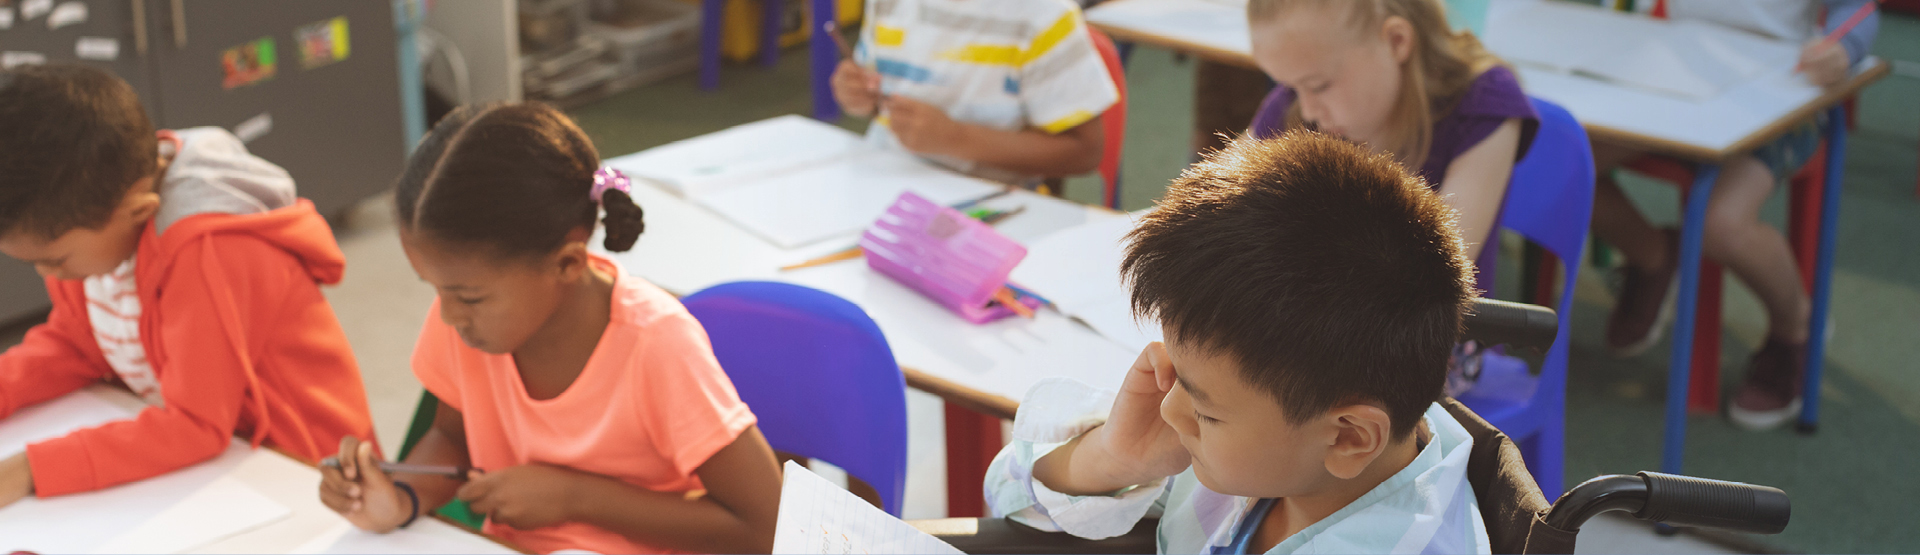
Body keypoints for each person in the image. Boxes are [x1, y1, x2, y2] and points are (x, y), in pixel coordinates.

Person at [985, 131, 1489, 554]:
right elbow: (1008, 490)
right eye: (1179, 380)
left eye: (1206, 413)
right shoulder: (1277, 441)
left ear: (1349, 438)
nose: (1169, 412)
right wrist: (1114, 459)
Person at [317, 103, 782, 554]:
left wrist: (573, 497)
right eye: (436, 290)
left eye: (468, 296)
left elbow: (764, 527)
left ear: (566, 263)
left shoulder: (656, 343)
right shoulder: (468, 322)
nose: (448, 316)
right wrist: (400, 497)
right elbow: (453, 438)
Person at [0, 64, 374, 507]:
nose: (47, 275)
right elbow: (78, 343)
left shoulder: (209, 251)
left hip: (308, 477)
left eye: (55, 259)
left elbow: (196, 424)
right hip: (216, 468)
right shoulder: (100, 223)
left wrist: (31, 468)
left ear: (139, 210)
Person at [1592, 0, 1879, 430]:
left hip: (1778, 84)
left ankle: (1795, 326)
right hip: (1667, 66)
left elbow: (1857, 8)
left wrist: (1842, 46)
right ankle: (1654, 256)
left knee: (1720, 225)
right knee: (1552, 164)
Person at [1247, 0, 1536, 285]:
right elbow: (1221, 205)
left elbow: (1432, 277)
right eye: (1291, 86)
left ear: (1396, 42)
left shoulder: (1483, 104)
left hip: (1426, 324)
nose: (1308, 109)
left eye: (1319, 86)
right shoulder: (1297, 100)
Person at [829, 0, 1119, 188]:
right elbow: (877, 97)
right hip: (884, 181)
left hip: (989, 203)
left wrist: (955, 138)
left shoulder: (1043, 15)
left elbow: (1085, 152)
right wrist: (856, 95)